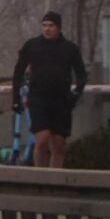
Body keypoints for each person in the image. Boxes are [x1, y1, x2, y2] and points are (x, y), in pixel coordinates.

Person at [12, 11, 87, 168]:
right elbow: (18, 72)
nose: (47, 29)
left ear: (58, 28)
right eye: (44, 25)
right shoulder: (31, 46)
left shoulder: (70, 49)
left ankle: (55, 181)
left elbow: (81, 74)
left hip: (61, 101)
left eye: (51, 26)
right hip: (38, 99)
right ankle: (41, 179)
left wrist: (76, 93)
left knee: (58, 144)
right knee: (42, 139)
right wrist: (15, 99)